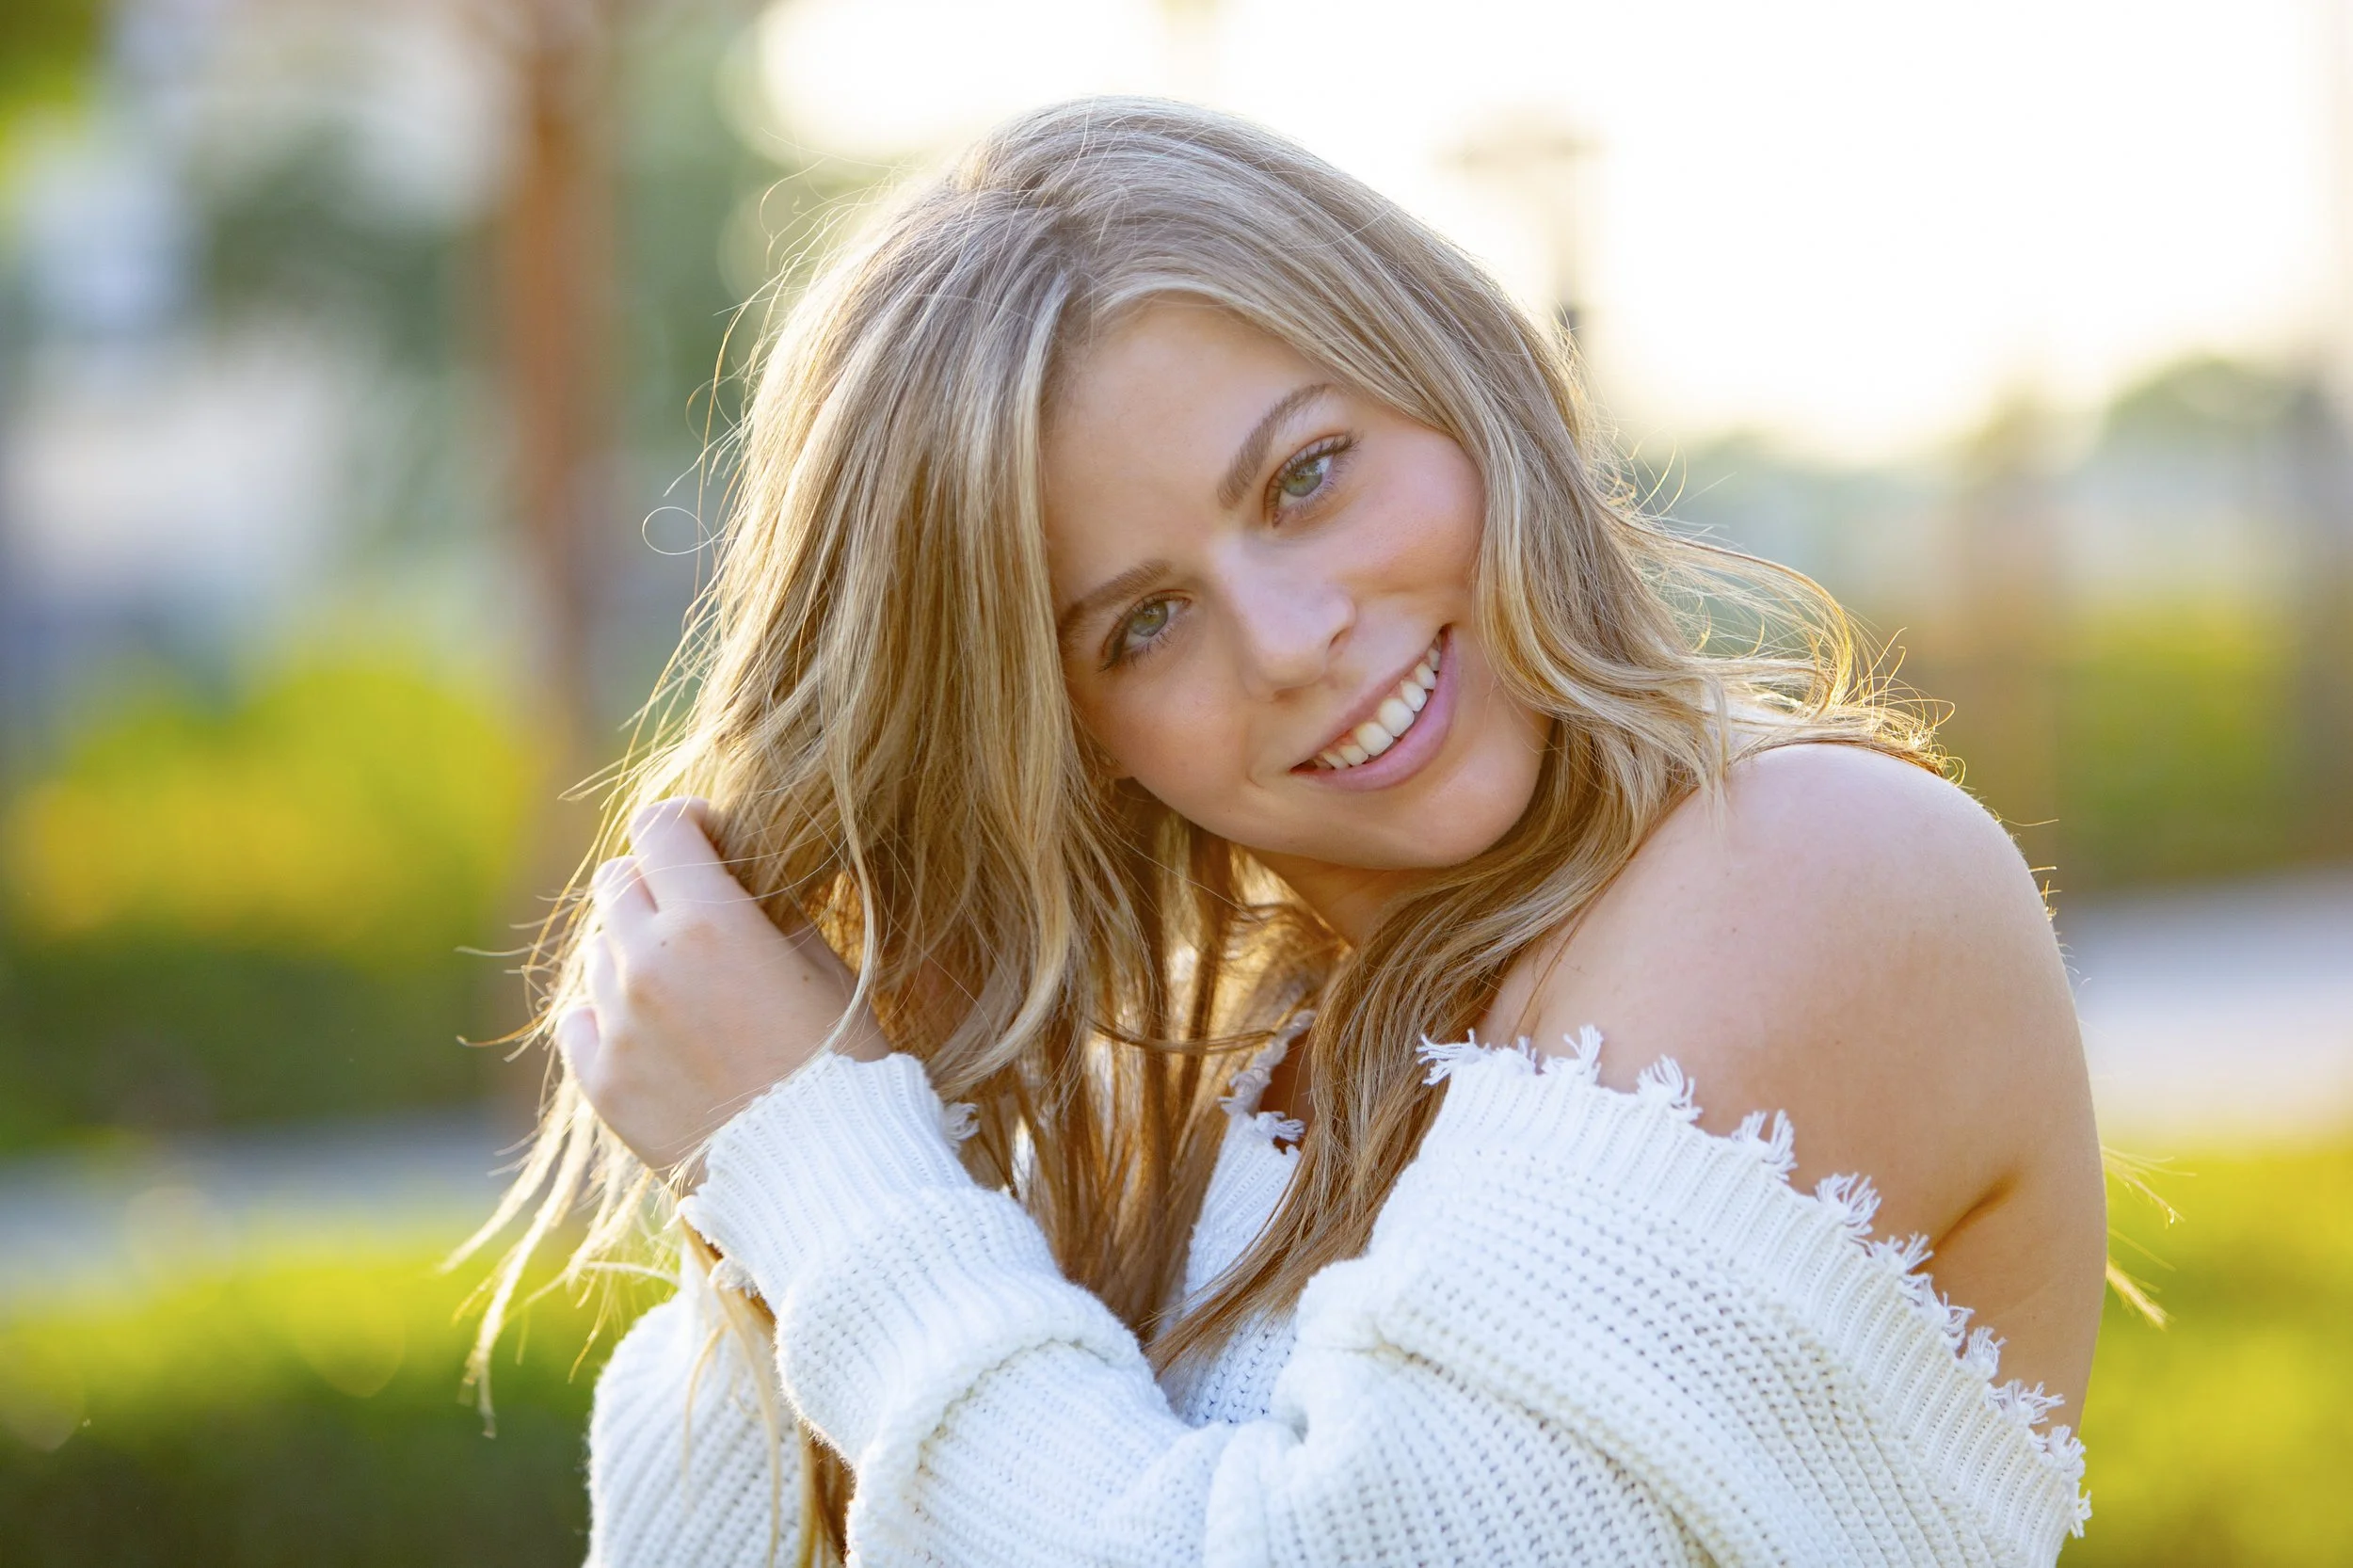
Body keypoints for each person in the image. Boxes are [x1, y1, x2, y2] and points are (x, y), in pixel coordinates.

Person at [468, 97, 2105, 1566]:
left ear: (1456, 381)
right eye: (1142, 621)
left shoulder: (1805, 868)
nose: (1292, 635)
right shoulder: (1144, 1109)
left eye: (1309, 474)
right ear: (1069, 735)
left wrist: (817, 1162)